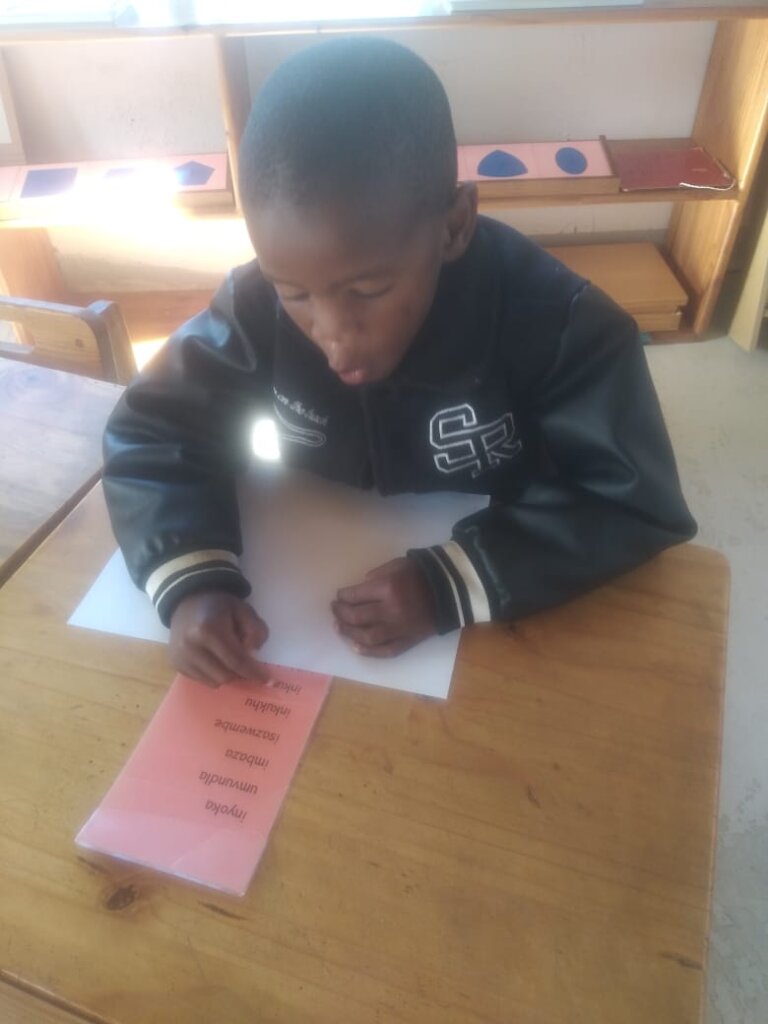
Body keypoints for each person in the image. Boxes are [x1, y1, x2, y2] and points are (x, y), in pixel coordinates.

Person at [103, 36, 696, 686]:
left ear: (455, 225)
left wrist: (451, 581)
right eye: (294, 293)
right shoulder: (252, 306)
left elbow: (633, 500)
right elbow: (154, 431)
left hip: (501, 629)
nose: (334, 336)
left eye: (367, 291)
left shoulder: (563, 325)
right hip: (313, 549)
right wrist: (190, 577)